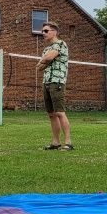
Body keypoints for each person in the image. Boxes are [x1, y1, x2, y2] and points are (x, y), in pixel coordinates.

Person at [37, 21, 72, 151]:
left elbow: (48, 58)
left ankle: (68, 142)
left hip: (57, 82)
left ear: (55, 32)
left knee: (60, 112)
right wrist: (45, 60)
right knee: (51, 114)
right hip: (46, 82)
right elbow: (40, 67)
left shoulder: (61, 44)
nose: (43, 34)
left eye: (46, 31)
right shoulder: (46, 49)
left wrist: (45, 60)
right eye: (42, 32)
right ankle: (55, 142)